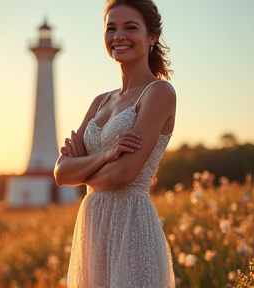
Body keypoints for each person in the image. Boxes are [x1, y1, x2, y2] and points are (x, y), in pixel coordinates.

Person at [54, 0, 176, 287]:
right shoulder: (100, 101)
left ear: (151, 37)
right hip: (93, 228)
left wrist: (81, 170)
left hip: (132, 226)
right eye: (111, 28)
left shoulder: (158, 93)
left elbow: (125, 174)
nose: (118, 36)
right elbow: (61, 174)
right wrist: (106, 156)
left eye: (130, 27)